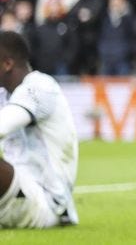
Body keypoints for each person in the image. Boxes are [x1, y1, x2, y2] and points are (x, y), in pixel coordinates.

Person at [0, 31, 78, 229]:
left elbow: (3, 125)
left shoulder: (41, 87)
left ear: (7, 64)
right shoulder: (3, 93)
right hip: (19, 191)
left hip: (47, 202)